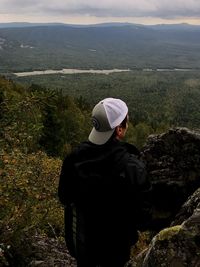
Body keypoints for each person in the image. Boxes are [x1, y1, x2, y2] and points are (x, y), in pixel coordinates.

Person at [58, 97, 152, 267]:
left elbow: (64, 198)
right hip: (115, 251)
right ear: (119, 130)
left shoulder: (73, 159)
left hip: (83, 247)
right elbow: (143, 219)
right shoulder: (132, 167)